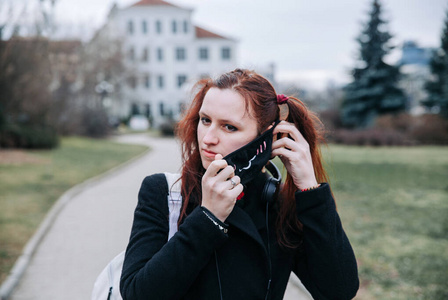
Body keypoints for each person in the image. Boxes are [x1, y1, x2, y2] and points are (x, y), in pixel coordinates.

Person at [120, 69, 359, 300]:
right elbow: (136, 292)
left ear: (265, 138)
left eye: (229, 127)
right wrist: (208, 218)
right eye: (205, 120)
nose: (208, 138)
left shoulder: (276, 204)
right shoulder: (164, 193)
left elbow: (339, 290)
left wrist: (309, 188)